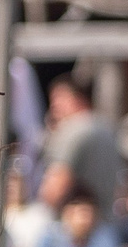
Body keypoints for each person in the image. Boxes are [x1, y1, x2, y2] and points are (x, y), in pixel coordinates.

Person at [43, 73, 123, 210]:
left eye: (59, 98)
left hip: (76, 223)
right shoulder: (106, 128)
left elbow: (56, 186)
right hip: (107, 219)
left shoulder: (73, 130)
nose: (53, 108)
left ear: (78, 98)